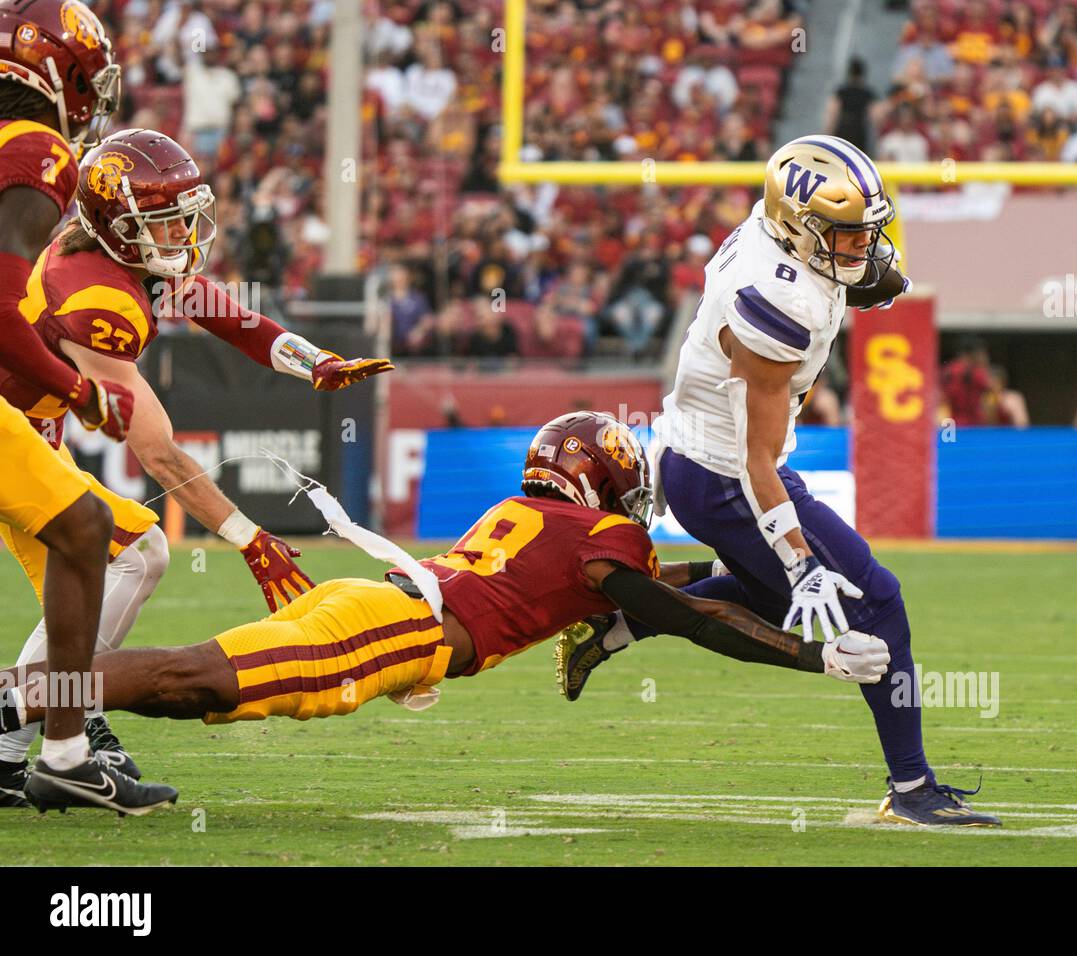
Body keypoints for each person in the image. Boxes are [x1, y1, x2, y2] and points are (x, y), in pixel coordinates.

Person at [0, 413, 889, 805]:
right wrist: (812, 657)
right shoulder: (599, 542)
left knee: (196, 683)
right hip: (389, 633)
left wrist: (728, 578)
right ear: (605, 481)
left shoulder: (543, 520)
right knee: (195, 676)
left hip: (379, 608)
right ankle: (15, 697)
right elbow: (683, 613)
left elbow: (670, 591)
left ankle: (28, 700)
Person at [558, 136, 1001, 827]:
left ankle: (621, 621)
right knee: (876, 601)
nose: (861, 247)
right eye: (845, 233)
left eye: (866, 231)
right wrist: (801, 559)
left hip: (705, 461)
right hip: (726, 472)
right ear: (798, 225)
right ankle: (912, 788)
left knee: (769, 596)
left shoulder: (776, 236)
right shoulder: (777, 302)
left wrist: (864, 272)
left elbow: (841, 278)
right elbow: (759, 461)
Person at [0, 128, 393, 813]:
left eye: (184, 212)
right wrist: (249, 538)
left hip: (29, 432)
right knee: (136, 555)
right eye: (163, 219)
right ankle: (33, 728)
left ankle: (37, 743)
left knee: (102, 573)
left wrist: (316, 363)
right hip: (15, 434)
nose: (182, 231)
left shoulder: (120, 256)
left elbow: (235, 320)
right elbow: (157, 452)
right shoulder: (99, 299)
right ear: (116, 226)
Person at [0, 0, 162, 814]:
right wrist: (80, 390)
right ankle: (51, 745)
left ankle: (47, 745)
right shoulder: (37, 147)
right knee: (97, 539)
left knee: (91, 534)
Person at [941, 335, 992, 427]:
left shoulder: (947, 370)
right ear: (973, 354)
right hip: (974, 425)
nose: (985, 356)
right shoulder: (977, 373)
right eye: (982, 353)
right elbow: (991, 395)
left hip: (951, 425)